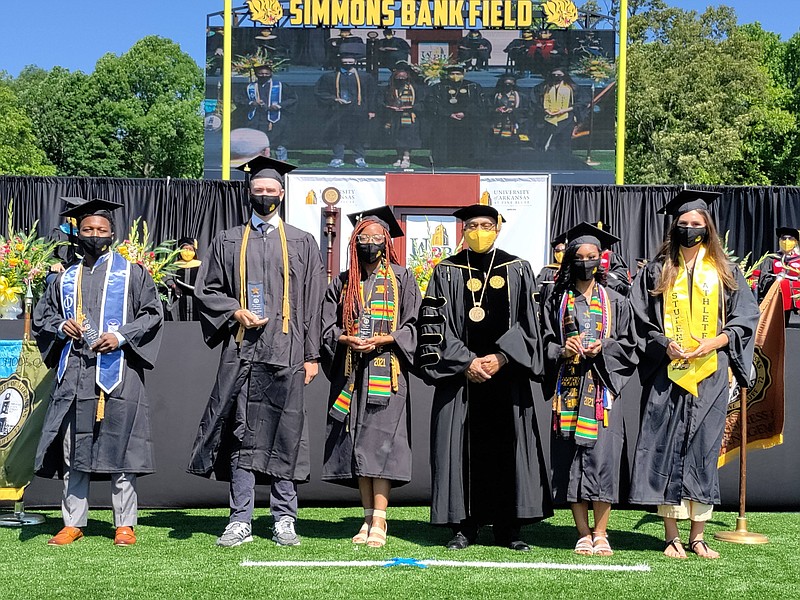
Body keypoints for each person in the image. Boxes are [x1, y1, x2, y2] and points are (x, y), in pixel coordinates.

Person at [187, 156, 326, 548]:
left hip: (288, 351)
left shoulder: (302, 241)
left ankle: (284, 517)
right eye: (257, 190)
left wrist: (312, 355)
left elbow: (314, 301)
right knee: (242, 435)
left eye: (271, 190)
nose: (264, 195)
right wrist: (235, 310)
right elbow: (207, 290)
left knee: (287, 432)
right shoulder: (229, 240)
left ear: (282, 193)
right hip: (243, 351)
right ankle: (240, 518)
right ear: (248, 193)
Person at [628, 190, 759, 559]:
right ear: (674, 228)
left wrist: (716, 341)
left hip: (709, 371)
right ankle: (671, 536)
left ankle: (697, 535)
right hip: (667, 372)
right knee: (666, 446)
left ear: (708, 229)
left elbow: (745, 317)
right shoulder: (656, 270)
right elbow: (639, 321)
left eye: (697, 225)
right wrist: (663, 343)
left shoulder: (724, 270)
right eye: (683, 224)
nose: (689, 230)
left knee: (702, 448)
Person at [417, 204, 552, 551]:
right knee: (461, 452)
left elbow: (532, 324)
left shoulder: (518, 269)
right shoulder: (445, 271)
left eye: (486, 225)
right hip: (462, 382)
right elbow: (433, 326)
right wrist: (466, 362)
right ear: (463, 230)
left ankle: (509, 528)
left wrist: (502, 357)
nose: (480, 230)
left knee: (507, 449)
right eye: (473, 225)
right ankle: (465, 527)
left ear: (498, 228)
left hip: (507, 381)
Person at [32, 198, 164, 546]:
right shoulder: (63, 279)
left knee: (122, 448)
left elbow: (152, 315)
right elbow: (42, 319)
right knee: (73, 448)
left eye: (101, 230)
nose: (94, 235)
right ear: (78, 233)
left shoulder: (133, 274)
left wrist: (120, 336)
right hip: (75, 374)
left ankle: (125, 524)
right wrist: (62, 326)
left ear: (112, 234)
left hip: (119, 373)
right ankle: (73, 521)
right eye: (88, 229)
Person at [320, 206, 421, 548]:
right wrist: (345, 338)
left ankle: (380, 520)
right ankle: (366, 518)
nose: (371, 243)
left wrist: (385, 339)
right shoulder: (344, 282)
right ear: (354, 242)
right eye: (364, 238)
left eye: (378, 238)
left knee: (382, 444)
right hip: (351, 372)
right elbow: (326, 327)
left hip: (387, 373)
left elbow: (413, 326)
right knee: (358, 444)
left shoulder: (402, 278)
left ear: (387, 242)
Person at [541, 223, 636, 557]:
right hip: (567, 388)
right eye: (579, 257)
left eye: (591, 256)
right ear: (570, 260)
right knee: (570, 458)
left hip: (603, 392)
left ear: (600, 259)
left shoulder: (616, 300)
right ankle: (582, 532)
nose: (585, 262)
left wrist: (604, 348)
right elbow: (543, 341)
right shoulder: (556, 300)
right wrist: (562, 350)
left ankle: (602, 532)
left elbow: (630, 345)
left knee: (604, 459)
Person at [315, 52, 377, 168]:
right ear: (340, 62)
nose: (348, 64)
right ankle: (338, 157)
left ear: (355, 62)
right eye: (345, 62)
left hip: (359, 110)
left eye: (350, 61)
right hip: (338, 111)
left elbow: (371, 94)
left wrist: (371, 110)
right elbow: (320, 92)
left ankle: (359, 157)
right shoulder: (330, 77)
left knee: (359, 134)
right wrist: (334, 99)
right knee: (338, 134)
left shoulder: (365, 77)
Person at [238, 63, 298, 162]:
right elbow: (239, 99)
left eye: (266, 73)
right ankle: (260, 160)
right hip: (256, 119)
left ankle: (281, 161)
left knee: (278, 141)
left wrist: (279, 105)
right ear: (256, 74)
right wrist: (252, 103)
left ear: (271, 73)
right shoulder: (250, 87)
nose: (264, 75)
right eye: (261, 73)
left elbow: (292, 99)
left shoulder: (280, 86)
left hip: (276, 119)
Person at [427, 64, 482, 168]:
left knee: (466, 139)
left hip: (467, 120)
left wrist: (465, 113)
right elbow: (432, 103)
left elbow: (478, 103)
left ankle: (467, 160)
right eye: (452, 74)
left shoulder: (473, 86)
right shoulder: (438, 87)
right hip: (446, 120)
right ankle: (444, 161)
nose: (455, 76)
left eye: (458, 73)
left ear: (463, 74)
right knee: (445, 140)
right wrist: (449, 114)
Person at [531, 66, 581, 154]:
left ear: (564, 75)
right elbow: (535, 101)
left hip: (566, 119)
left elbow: (581, 103)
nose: (557, 76)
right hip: (546, 119)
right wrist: (545, 109)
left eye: (559, 75)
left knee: (563, 144)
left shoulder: (572, 87)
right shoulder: (543, 87)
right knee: (545, 144)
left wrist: (564, 110)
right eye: (554, 75)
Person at [756, 226, 800, 323]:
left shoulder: (799, 260)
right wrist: (776, 280)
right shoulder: (771, 259)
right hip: (778, 300)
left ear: (795, 242)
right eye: (784, 238)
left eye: (790, 239)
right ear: (780, 241)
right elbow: (763, 279)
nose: (786, 241)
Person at [384, 63, 422, 169]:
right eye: (399, 77)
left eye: (403, 77)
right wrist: (390, 107)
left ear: (407, 77)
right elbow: (383, 101)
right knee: (397, 137)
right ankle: (399, 157)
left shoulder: (414, 88)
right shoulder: (390, 88)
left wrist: (410, 107)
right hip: (395, 117)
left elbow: (421, 102)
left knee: (407, 137)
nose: (401, 79)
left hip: (410, 116)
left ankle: (406, 157)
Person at [46, 197, 85, 286]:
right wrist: (54, 263)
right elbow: (48, 255)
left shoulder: (87, 235)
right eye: (72, 216)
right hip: (60, 272)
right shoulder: (58, 233)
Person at [164, 237, 202, 322]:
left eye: (190, 249)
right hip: (179, 298)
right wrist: (174, 286)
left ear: (194, 251)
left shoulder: (200, 265)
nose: (187, 252)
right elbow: (167, 277)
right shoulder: (174, 265)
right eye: (185, 249)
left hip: (196, 298)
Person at [593, 222, 631, 296]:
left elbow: (621, 274)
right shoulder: (585, 256)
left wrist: (605, 276)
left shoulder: (612, 256)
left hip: (607, 293)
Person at [489, 74, 525, 147]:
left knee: (511, 142)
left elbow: (524, 110)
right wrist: (497, 109)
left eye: (510, 84)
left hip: (512, 121)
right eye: (506, 84)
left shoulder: (519, 95)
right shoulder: (496, 95)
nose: (507, 86)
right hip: (498, 122)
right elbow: (489, 108)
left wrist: (512, 110)